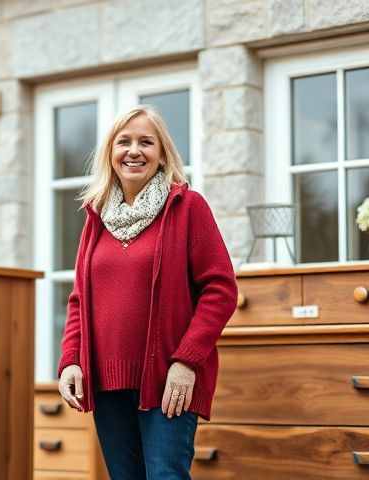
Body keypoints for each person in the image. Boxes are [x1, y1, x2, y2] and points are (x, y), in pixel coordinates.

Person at [57, 105, 239, 479]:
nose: (134, 150)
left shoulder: (187, 207)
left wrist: (187, 361)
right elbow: (79, 299)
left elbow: (220, 289)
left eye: (146, 142)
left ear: (162, 154)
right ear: (110, 153)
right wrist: (71, 359)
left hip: (167, 380)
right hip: (107, 384)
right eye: (124, 142)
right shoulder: (97, 217)